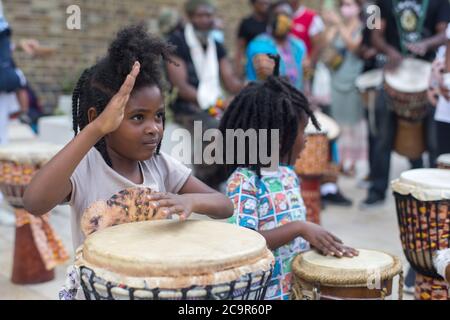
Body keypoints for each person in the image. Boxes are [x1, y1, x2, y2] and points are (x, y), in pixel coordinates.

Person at [22, 25, 234, 299]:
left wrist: (191, 201)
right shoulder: (85, 168)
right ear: (97, 117)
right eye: (137, 117)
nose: (154, 128)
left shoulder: (161, 166)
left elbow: (224, 205)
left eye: (158, 116)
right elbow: (34, 202)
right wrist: (95, 129)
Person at [219, 76, 358, 300]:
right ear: (281, 137)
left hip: (292, 290)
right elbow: (244, 241)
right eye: (302, 131)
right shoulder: (243, 181)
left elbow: (292, 236)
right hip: (260, 295)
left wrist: (315, 243)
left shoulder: (287, 174)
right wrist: (300, 228)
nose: (305, 140)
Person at [362, 0, 450, 207]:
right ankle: (377, 190)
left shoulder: (440, 2)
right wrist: (390, 51)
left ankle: (435, 196)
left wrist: (426, 44)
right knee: (382, 138)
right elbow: (373, 35)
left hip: (427, 79)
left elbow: (445, 33)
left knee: (434, 143)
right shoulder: (377, 4)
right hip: (391, 75)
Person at [166, 0, 244, 190]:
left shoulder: (216, 45)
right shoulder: (176, 42)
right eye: (200, 15)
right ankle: (204, 180)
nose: (205, 20)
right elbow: (182, 87)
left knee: (243, 124)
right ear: (190, 18)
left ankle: (231, 179)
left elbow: (230, 81)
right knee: (214, 128)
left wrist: (249, 87)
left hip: (213, 103)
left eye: (209, 16)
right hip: (187, 106)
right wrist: (217, 102)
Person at [322, 0, 366, 176]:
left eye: (349, 5)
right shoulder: (336, 26)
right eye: (343, 5)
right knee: (337, 120)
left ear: (358, 7)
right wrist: (329, 24)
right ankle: (338, 160)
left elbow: (354, 46)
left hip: (354, 79)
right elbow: (326, 44)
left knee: (354, 122)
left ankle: (353, 162)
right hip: (336, 78)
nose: (345, 9)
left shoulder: (363, 28)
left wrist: (339, 24)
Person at [246, 1, 307, 90]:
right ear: (270, 19)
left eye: (286, 15)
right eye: (277, 15)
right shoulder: (259, 44)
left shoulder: (298, 45)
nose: (281, 19)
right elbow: (263, 73)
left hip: (296, 99)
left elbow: (305, 76)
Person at [234, 0, 271, 76]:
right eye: (262, 2)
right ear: (253, 3)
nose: (265, 4)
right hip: (254, 68)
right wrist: (238, 71)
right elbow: (240, 49)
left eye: (267, 2)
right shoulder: (246, 24)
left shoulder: (272, 22)